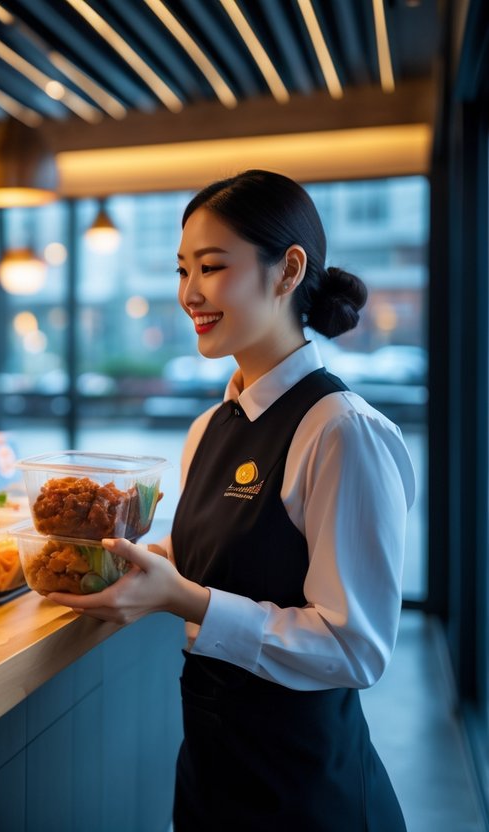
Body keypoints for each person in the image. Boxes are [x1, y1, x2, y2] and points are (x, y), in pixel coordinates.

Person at [50, 170, 415, 830]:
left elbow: (355, 649)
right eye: (182, 269)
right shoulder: (210, 426)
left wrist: (179, 597)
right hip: (213, 772)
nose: (189, 293)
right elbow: (211, 555)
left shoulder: (340, 430)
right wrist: (115, 559)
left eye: (211, 267)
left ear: (286, 271)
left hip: (305, 790)